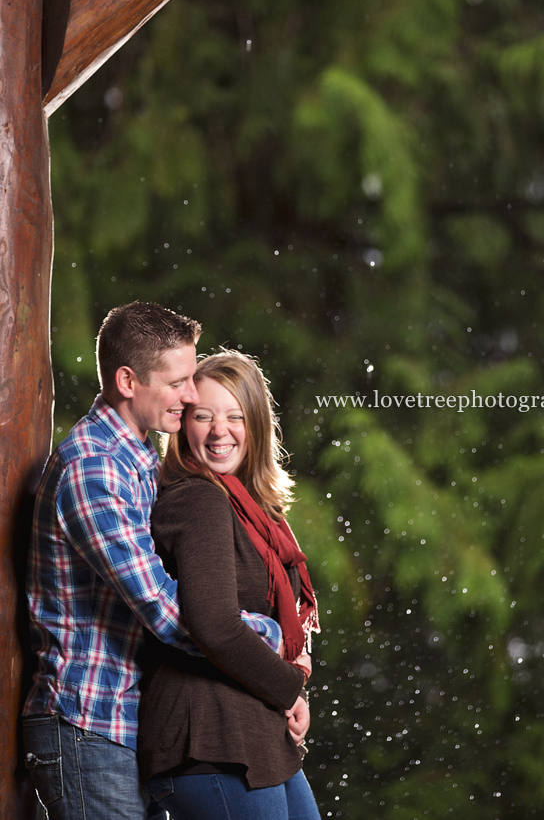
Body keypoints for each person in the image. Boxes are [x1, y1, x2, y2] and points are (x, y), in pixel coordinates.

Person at [23, 301, 203, 820]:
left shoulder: (140, 459)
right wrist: (269, 638)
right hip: (88, 724)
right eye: (178, 383)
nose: (190, 397)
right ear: (128, 380)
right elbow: (166, 613)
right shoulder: (94, 468)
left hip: (124, 725)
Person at [138, 349, 322, 820]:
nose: (221, 431)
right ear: (183, 424)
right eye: (203, 416)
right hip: (209, 739)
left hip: (253, 734)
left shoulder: (255, 512)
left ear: (256, 426)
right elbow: (214, 625)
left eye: (235, 416)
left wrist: (287, 689)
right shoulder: (199, 498)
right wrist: (288, 688)